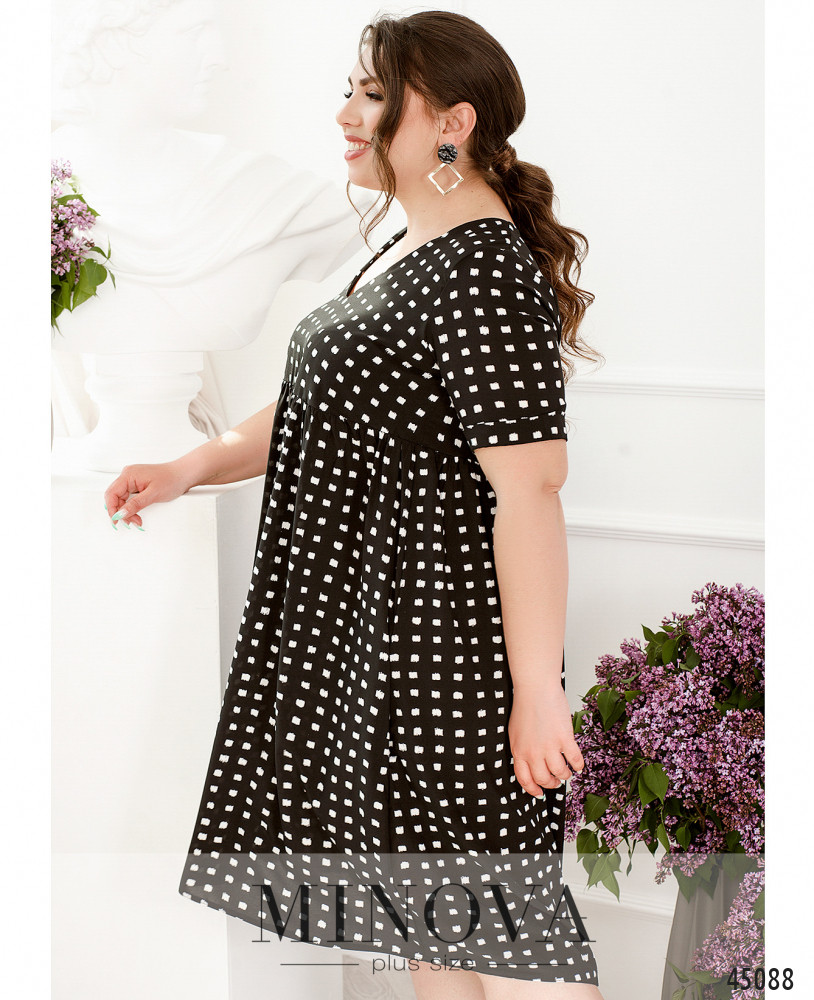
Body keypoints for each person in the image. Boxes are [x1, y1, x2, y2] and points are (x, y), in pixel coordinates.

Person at [104, 10, 606, 998]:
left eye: (373, 95)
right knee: (436, 936)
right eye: (348, 89)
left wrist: (537, 690)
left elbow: (532, 486)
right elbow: (319, 405)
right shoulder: (409, 253)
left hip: (453, 663)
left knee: (514, 943)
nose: (344, 114)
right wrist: (193, 464)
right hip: (384, 649)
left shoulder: (483, 269)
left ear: (452, 123)